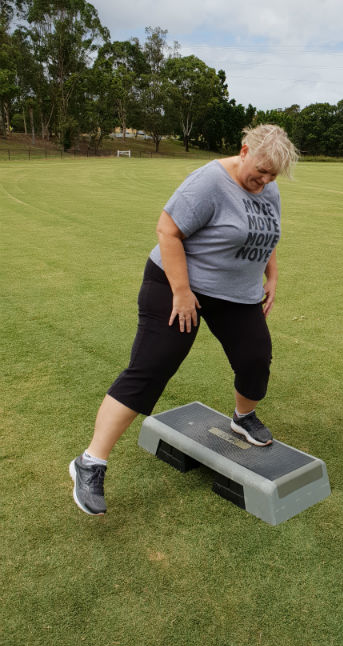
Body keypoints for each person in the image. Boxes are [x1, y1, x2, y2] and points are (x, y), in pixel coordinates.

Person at [70, 124, 299, 515]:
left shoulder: (269, 187)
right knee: (152, 366)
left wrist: (271, 276)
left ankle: (243, 417)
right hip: (176, 284)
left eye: (272, 176)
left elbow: (268, 234)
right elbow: (167, 230)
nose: (264, 181)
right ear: (244, 150)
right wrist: (181, 292)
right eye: (259, 172)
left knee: (255, 358)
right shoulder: (209, 180)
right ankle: (91, 462)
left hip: (234, 294)